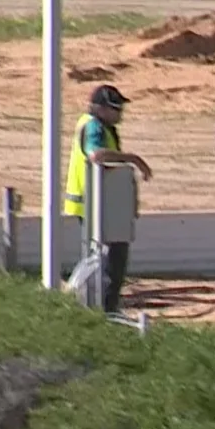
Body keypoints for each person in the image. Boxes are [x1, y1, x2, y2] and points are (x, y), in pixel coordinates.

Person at [64, 84, 153, 314]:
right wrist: (133, 159)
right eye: (116, 109)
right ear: (101, 108)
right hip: (96, 205)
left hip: (103, 204)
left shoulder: (101, 126)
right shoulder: (93, 126)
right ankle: (105, 309)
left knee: (100, 259)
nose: (120, 114)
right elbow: (97, 155)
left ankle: (96, 305)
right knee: (109, 261)